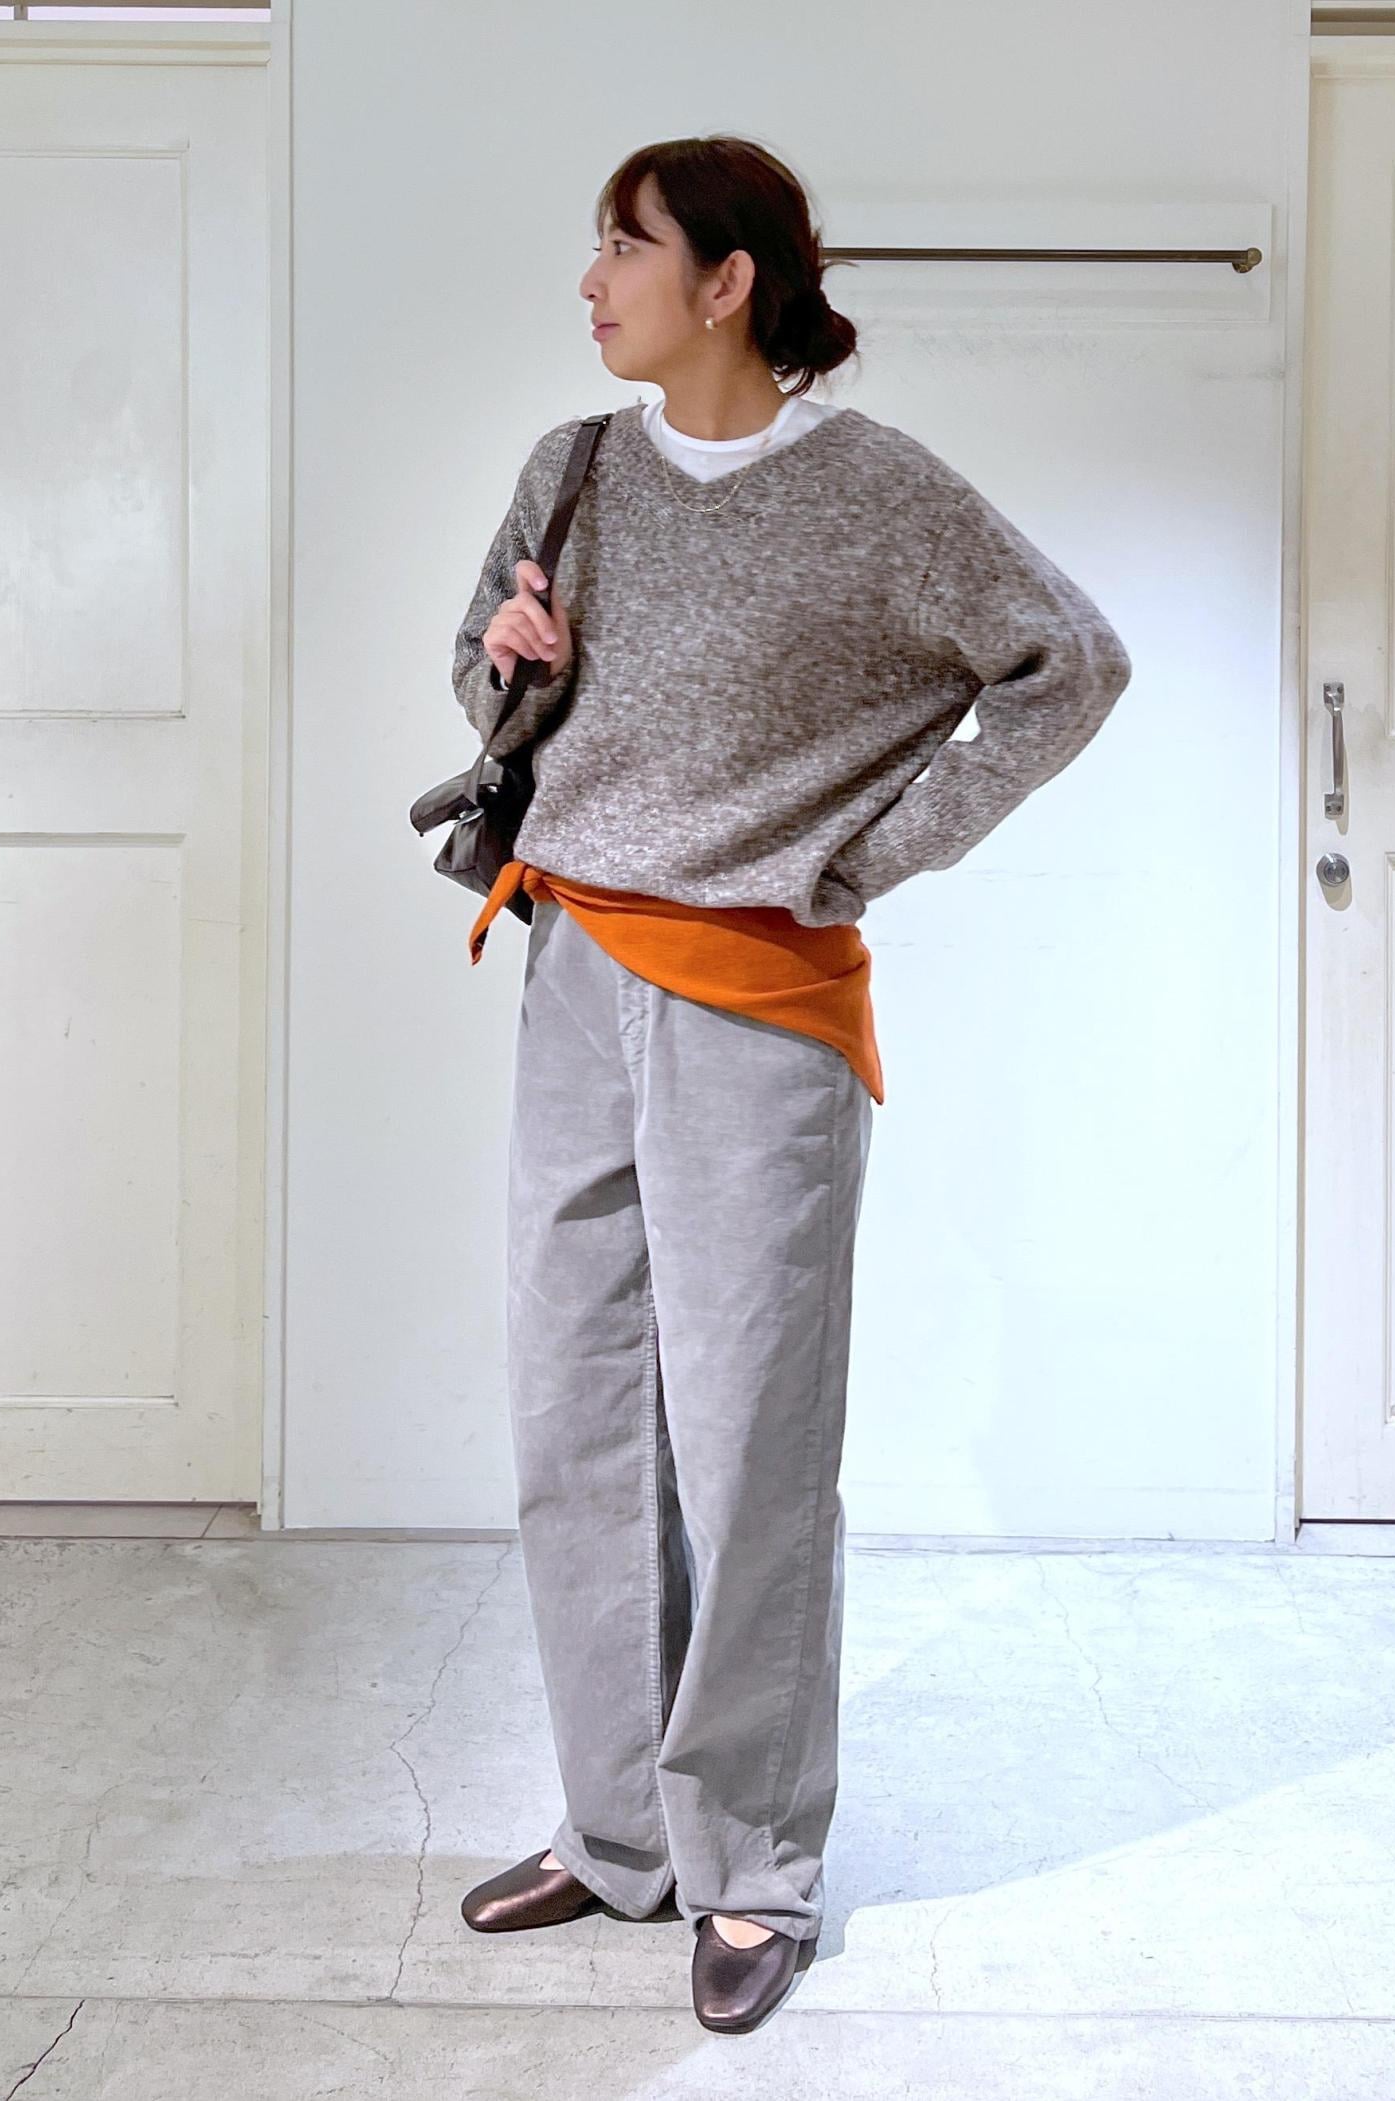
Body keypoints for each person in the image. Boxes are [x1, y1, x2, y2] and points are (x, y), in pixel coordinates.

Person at [451, 134, 1133, 2036]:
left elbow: (1070, 663)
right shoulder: (572, 467)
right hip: (575, 966)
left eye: (625, 247)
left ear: (727, 279)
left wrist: (862, 853)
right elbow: (489, 694)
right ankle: (619, 1835)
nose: (593, 281)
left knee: (750, 1438)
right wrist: (510, 660)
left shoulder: (875, 492)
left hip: (759, 995)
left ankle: (750, 1863)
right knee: (578, 1415)